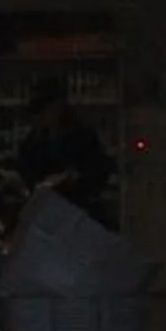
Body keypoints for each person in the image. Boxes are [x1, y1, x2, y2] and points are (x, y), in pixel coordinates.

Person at [13, 76, 113, 223]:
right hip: (46, 214)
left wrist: (69, 177)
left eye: (45, 110)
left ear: (58, 107)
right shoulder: (34, 140)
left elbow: (99, 173)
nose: (42, 117)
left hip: (78, 213)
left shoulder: (82, 137)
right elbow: (24, 169)